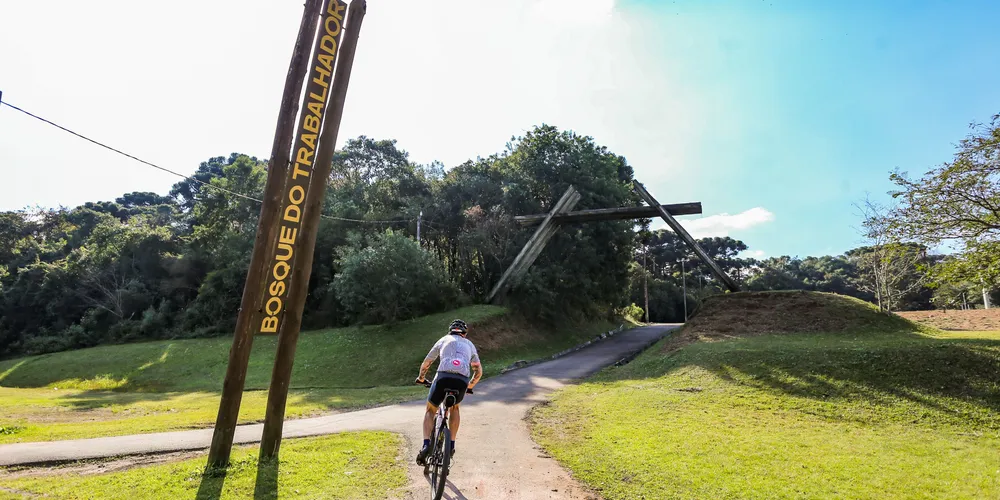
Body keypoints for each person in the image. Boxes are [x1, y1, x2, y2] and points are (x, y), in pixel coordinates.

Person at [415, 318, 482, 464]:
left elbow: (427, 362)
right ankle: (451, 445)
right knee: (455, 408)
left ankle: (426, 445)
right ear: (464, 333)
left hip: (443, 377)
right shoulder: (469, 344)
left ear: (450, 331)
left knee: (430, 410)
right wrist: (470, 386)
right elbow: (478, 371)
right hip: (462, 380)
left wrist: (421, 378)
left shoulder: (443, 339)